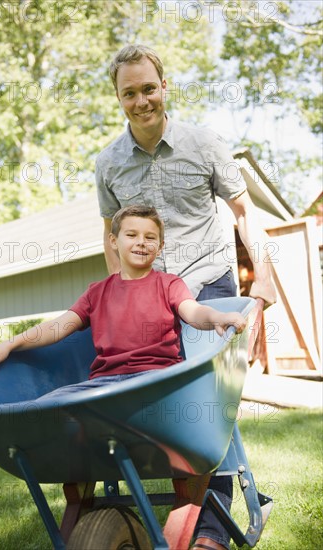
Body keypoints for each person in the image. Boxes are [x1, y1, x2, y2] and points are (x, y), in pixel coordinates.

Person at [95, 45, 277, 550]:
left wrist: (262, 277)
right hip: (148, 297)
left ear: (164, 87)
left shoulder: (204, 144)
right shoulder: (108, 163)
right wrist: (117, 304)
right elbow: (112, 241)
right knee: (137, 402)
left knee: (204, 409)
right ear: (118, 98)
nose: (141, 101)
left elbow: (244, 214)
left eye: (148, 88)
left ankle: (211, 532)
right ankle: (130, 510)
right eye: (129, 93)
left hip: (208, 287)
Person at [0, 206, 246, 396]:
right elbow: (58, 326)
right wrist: (11, 344)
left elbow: (194, 312)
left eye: (150, 237)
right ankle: (81, 470)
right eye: (131, 235)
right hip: (106, 385)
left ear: (160, 246)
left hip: (158, 379)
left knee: (183, 410)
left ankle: (184, 472)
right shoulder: (97, 292)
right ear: (114, 241)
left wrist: (218, 318)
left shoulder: (169, 284)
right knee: (55, 404)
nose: (141, 242)